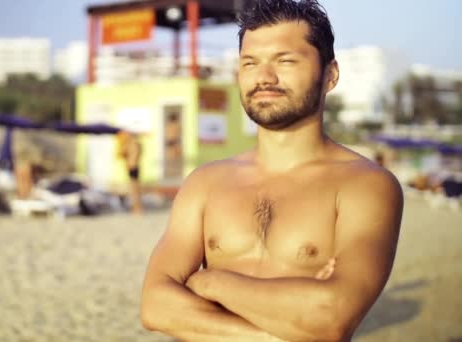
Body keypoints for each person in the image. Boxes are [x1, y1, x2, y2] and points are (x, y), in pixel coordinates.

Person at [140, 1, 403, 341]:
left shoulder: (364, 185)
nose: (264, 77)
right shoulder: (205, 183)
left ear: (330, 75)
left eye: (285, 60)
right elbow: (155, 306)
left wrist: (212, 282)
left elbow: (333, 316)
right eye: (250, 63)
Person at [117, 131, 143, 214]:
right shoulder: (138, 144)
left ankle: (137, 209)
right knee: (136, 189)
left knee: (134, 189)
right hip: (135, 167)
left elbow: (121, 154)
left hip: (132, 167)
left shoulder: (131, 144)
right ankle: (137, 208)